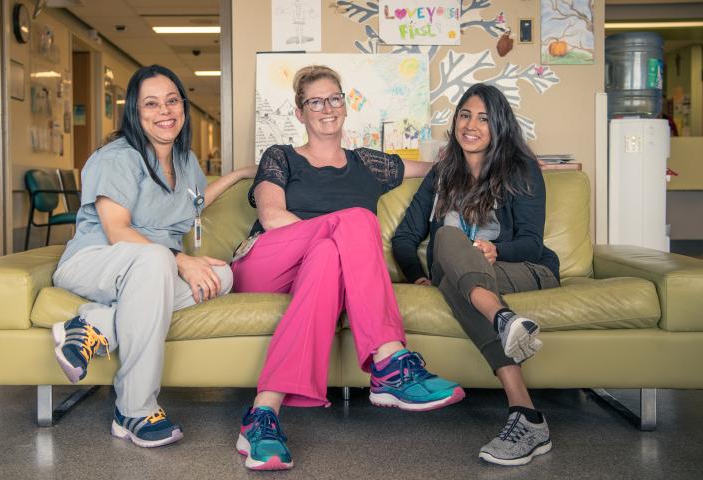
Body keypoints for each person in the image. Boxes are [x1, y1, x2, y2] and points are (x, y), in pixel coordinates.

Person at [230, 65, 463, 471]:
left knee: (327, 257)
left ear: (345, 104)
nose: (327, 108)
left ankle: (262, 418)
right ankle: (389, 361)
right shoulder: (281, 156)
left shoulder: (369, 164)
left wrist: (512, 162)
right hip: (266, 262)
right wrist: (336, 230)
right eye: (315, 101)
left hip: (319, 270)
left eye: (334, 98)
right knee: (354, 220)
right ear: (300, 113)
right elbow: (271, 217)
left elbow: (437, 170)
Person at [51, 65, 255, 448]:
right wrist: (180, 260)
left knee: (222, 276)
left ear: (183, 106)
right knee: (160, 261)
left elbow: (193, 203)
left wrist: (239, 174)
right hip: (97, 260)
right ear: (135, 111)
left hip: (150, 269)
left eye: (172, 100)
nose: (164, 111)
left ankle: (97, 325)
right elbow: (118, 231)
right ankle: (134, 409)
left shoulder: (185, 160)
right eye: (151, 103)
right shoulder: (117, 158)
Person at [391, 83, 558, 466]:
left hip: (522, 268)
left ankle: (503, 323)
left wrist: (497, 250)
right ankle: (523, 404)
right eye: (465, 115)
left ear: (498, 126)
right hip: (465, 274)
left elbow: (532, 243)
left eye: (483, 118)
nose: (471, 125)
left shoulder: (521, 169)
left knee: (454, 272)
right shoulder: (441, 176)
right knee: (449, 249)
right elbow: (404, 237)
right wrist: (417, 275)